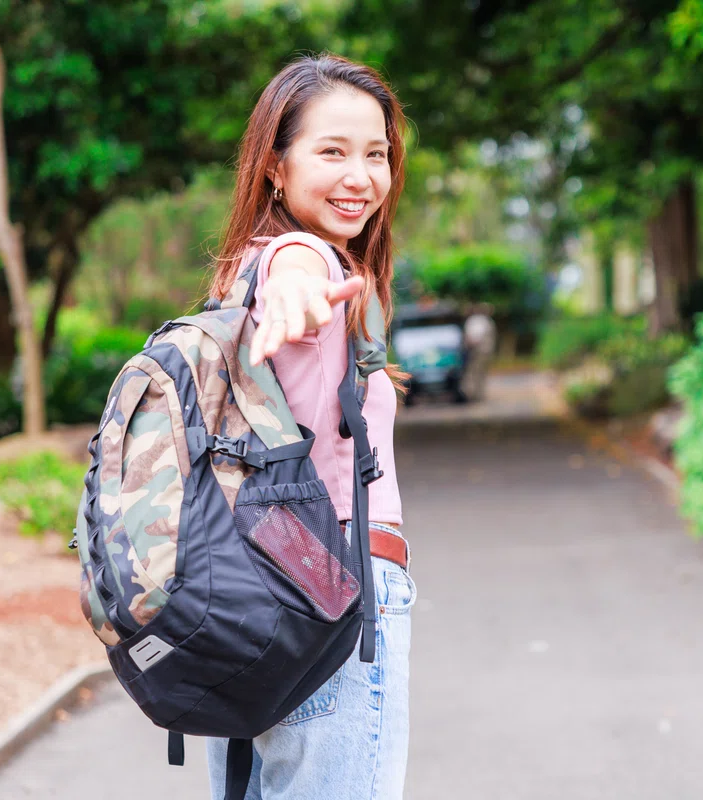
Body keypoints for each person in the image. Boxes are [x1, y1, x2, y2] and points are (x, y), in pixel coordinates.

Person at [203, 53, 415, 800]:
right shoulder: (298, 261)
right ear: (274, 165)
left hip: (250, 595)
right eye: (332, 151)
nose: (361, 175)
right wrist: (301, 273)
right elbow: (297, 263)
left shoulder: (236, 274)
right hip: (337, 591)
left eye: (376, 154)